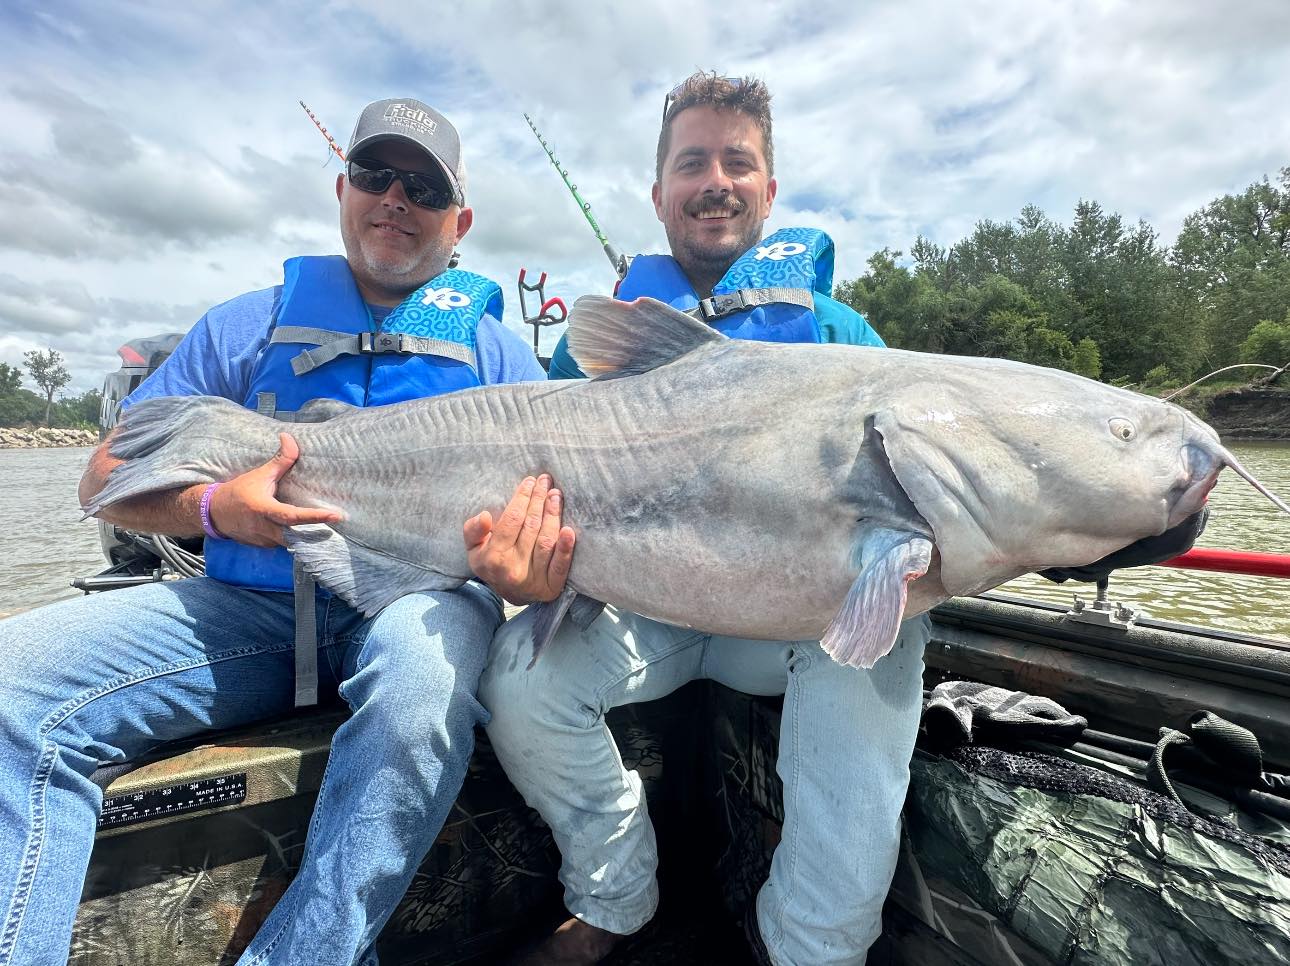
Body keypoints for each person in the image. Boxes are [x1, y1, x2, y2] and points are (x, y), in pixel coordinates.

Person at [0, 98, 572, 966]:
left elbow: (553, 539)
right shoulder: (240, 327)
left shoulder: (503, 359)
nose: (394, 199)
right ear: (343, 188)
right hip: (244, 609)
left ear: (458, 223)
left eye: (422, 188)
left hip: (417, 608)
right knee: (12, 692)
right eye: (376, 176)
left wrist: (523, 580)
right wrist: (212, 511)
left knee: (421, 691)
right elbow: (104, 483)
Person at [470, 73, 932, 965]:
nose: (715, 179)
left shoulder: (841, 334)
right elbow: (546, 493)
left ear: (768, 189)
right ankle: (615, 898)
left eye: (738, 161)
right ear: (658, 194)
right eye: (692, 163)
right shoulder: (595, 344)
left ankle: (813, 949)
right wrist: (530, 566)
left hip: (792, 625)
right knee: (520, 686)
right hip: (648, 614)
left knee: (893, 629)